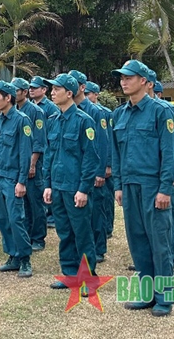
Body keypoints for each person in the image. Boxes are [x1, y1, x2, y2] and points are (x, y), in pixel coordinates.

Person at [111, 60, 174, 317]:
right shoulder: (120, 114)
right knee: (137, 241)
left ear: (145, 82)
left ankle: (165, 297)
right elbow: (116, 154)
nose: (123, 81)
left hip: (153, 186)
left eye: (129, 77)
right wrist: (118, 184)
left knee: (160, 242)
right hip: (129, 186)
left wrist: (165, 189)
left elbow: (169, 154)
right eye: (122, 77)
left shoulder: (162, 111)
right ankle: (147, 294)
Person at [42, 74, 100, 294]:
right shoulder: (53, 121)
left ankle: (89, 280)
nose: (52, 93)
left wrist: (84, 189)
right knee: (65, 233)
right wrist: (47, 184)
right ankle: (70, 275)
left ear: (69, 93)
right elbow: (49, 155)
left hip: (76, 189)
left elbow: (90, 158)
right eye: (52, 89)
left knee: (82, 234)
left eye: (57, 89)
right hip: (58, 187)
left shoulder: (85, 121)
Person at [0, 80, 34, 278]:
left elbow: (25, 153)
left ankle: (24, 259)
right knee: (2, 218)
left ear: (8, 98)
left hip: (14, 179)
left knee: (16, 219)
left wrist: (22, 181)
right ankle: (12, 256)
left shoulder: (22, 120)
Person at [68, 70, 110, 262]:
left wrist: (101, 171)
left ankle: (99, 248)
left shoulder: (95, 111)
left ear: (82, 87)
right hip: (77, 171)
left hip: (94, 171)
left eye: (73, 83)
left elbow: (102, 143)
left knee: (96, 210)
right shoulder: (67, 111)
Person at [145, 71, 174, 250]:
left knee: (169, 207)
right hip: (145, 176)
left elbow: (172, 146)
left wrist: (170, 174)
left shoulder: (165, 110)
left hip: (164, 172)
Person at [11, 77, 47, 252]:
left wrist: (31, 165)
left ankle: (38, 237)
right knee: (22, 203)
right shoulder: (13, 111)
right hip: (18, 164)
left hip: (33, 165)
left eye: (15, 90)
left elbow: (38, 142)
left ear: (23, 93)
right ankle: (26, 234)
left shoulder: (35, 111)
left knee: (35, 202)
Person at [85, 82, 116, 240]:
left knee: (106, 198)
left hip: (102, 164)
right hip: (91, 164)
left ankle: (107, 227)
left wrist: (108, 164)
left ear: (96, 94)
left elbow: (107, 140)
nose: (86, 97)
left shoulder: (104, 113)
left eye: (89, 94)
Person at [30, 75, 59, 230]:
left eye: (35, 87)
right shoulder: (31, 107)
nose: (31, 90)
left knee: (49, 182)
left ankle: (52, 216)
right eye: (30, 87)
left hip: (48, 149)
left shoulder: (50, 107)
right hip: (40, 150)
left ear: (44, 90)